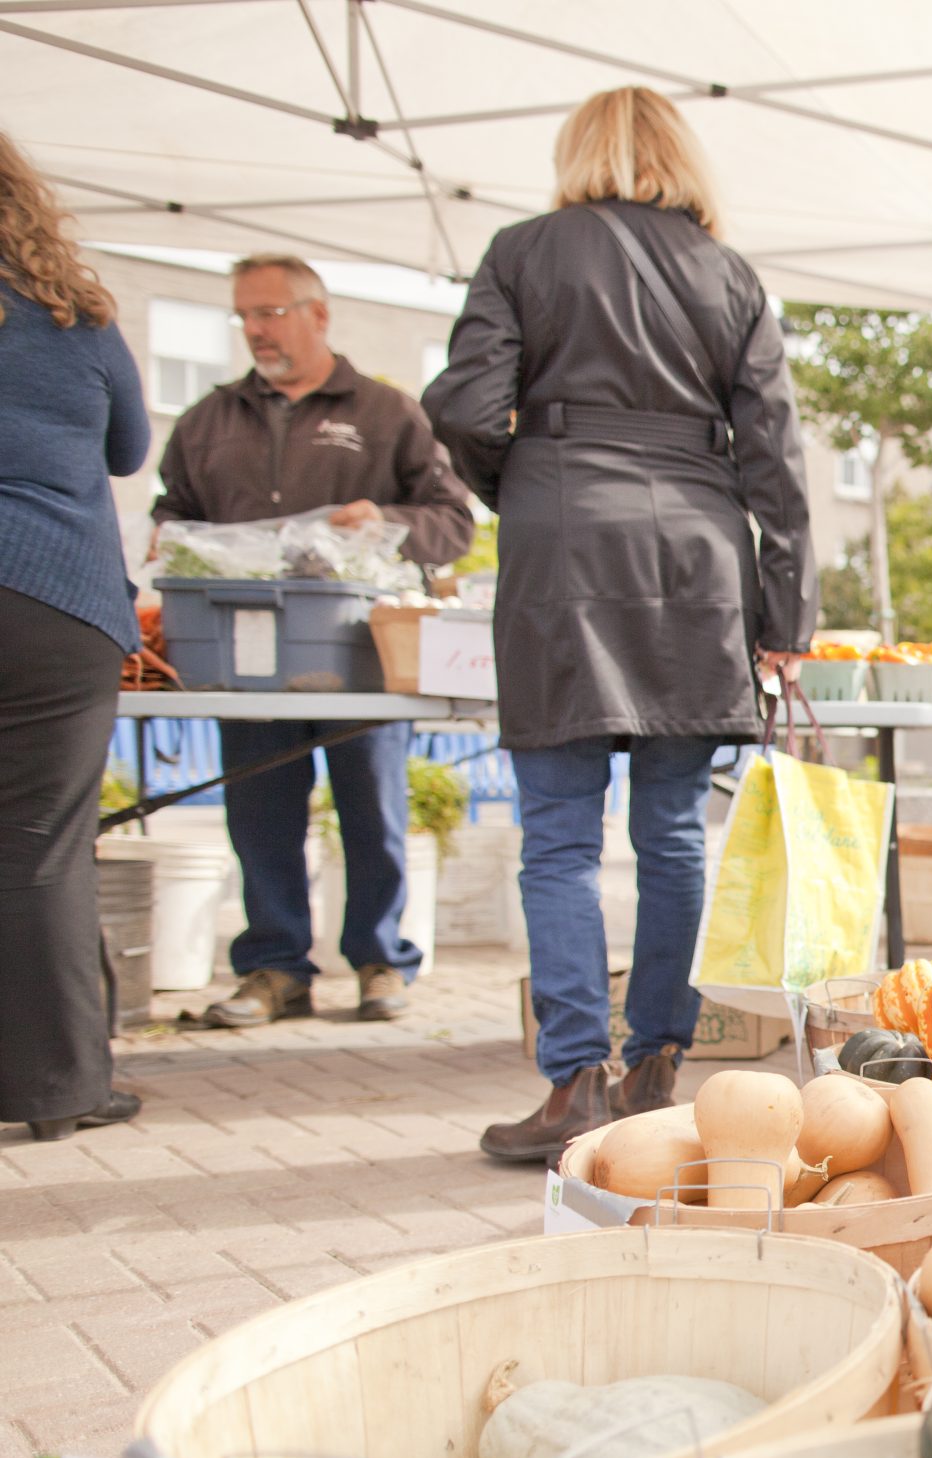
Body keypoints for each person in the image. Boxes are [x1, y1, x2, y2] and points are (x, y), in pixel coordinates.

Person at [425, 87, 814, 1162]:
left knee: (557, 835)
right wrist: (789, 612)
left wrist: (534, 477)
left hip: (562, 544)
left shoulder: (522, 249)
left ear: (576, 152)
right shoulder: (726, 272)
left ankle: (572, 1088)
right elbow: (775, 454)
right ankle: (657, 1070)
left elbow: (460, 406)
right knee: (674, 833)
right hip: (696, 549)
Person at [151, 253, 474, 1029]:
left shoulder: (386, 413)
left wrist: (387, 523)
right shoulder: (208, 421)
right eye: (245, 316)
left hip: (354, 656)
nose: (256, 330)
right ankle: (273, 967)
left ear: (318, 313)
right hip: (243, 664)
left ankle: (379, 960)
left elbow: (453, 522)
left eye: (270, 312)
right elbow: (171, 519)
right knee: (257, 814)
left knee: (372, 809)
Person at [0, 129, 151, 1141]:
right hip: (56, 604)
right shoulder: (76, 319)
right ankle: (59, 1092)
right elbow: (131, 448)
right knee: (43, 851)